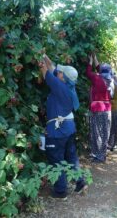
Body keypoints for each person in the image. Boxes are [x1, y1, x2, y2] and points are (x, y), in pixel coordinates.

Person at [38, 54, 87, 200]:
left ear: (62, 77)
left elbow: (45, 71)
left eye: (60, 72)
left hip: (58, 131)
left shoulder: (59, 86)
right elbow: (52, 68)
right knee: (71, 157)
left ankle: (60, 191)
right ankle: (80, 183)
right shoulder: (68, 86)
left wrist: (39, 60)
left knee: (56, 159)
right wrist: (45, 56)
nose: (57, 72)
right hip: (69, 128)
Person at [85, 54, 113, 163]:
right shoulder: (110, 79)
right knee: (105, 132)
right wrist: (95, 58)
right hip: (107, 109)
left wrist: (90, 61)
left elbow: (88, 73)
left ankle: (98, 156)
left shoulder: (97, 78)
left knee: (97, 132)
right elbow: (99, 69)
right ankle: (102, 154)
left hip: (98, 109)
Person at [93, 55, 117, 151]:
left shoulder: (104, 80)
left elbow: (99, 70)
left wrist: (93, 58)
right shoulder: (115, 78)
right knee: (115, 126)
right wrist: (94, 57)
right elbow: (99, 69)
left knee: (107, 127)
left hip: (109, 106)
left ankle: (107, 145)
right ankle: (113, 145)